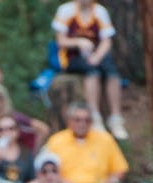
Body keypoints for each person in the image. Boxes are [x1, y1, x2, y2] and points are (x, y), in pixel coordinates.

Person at [52, 0, 128, 140]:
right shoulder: (65, 10)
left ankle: (115, 118)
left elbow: (106, 41)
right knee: (92, 73)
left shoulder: (100, 11)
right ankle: (95, 116)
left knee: (112, 73)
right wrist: (78, 42)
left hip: (96, 55)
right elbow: (60, 41)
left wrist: (97, 57)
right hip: (72, 58)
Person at [44, 101, 129, 183]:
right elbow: (44, 169)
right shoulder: (56, 141)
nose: (82, 124)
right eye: (77, 120)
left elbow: (120, 169)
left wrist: (110, 182)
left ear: (92, 122)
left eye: (87, 120)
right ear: (69, 121)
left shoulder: (105, 139)